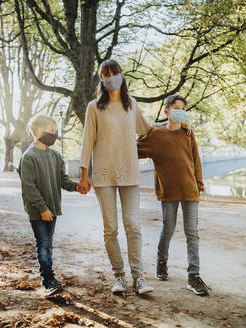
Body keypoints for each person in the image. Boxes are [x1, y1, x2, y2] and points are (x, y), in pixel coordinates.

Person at [78, 59, 156, 295]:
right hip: (103, 175)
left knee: (133, 225)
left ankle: (139, 277)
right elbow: (87, 140)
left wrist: (175, 126)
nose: (111, 77)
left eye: (114, 73)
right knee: (110, 228)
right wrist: (84, 173)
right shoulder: (94, 107)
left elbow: (149, 129)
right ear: (101, 79)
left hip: (130, 174)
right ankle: (119, 276)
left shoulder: (131, 105)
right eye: (106, 74)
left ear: (122, 75)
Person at [137, 94, 209, 296]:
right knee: (168, 229)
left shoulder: (188, 133)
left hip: (189, 190)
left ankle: (193, 275)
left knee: (192, 233)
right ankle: (161, 263)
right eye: (177, 108)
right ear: (167, 111)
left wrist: (199, 185)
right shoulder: (157, 135)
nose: (181, 111)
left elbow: (196, 160)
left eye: (184, 109)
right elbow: (135, 149)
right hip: (168, 192)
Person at [19, 114, 87, 296]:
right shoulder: (29, 157)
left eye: (55, 131)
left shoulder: (56, 155)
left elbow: (62, 180)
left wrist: (77, 187)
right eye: (51, 131)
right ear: (39, 131)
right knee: (43, 243)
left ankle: (49, 277)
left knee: (48, 243)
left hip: (53, 209)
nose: (54, 134)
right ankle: (48, 279)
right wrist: (42, 208)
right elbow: (29, 187)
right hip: (38, 211)